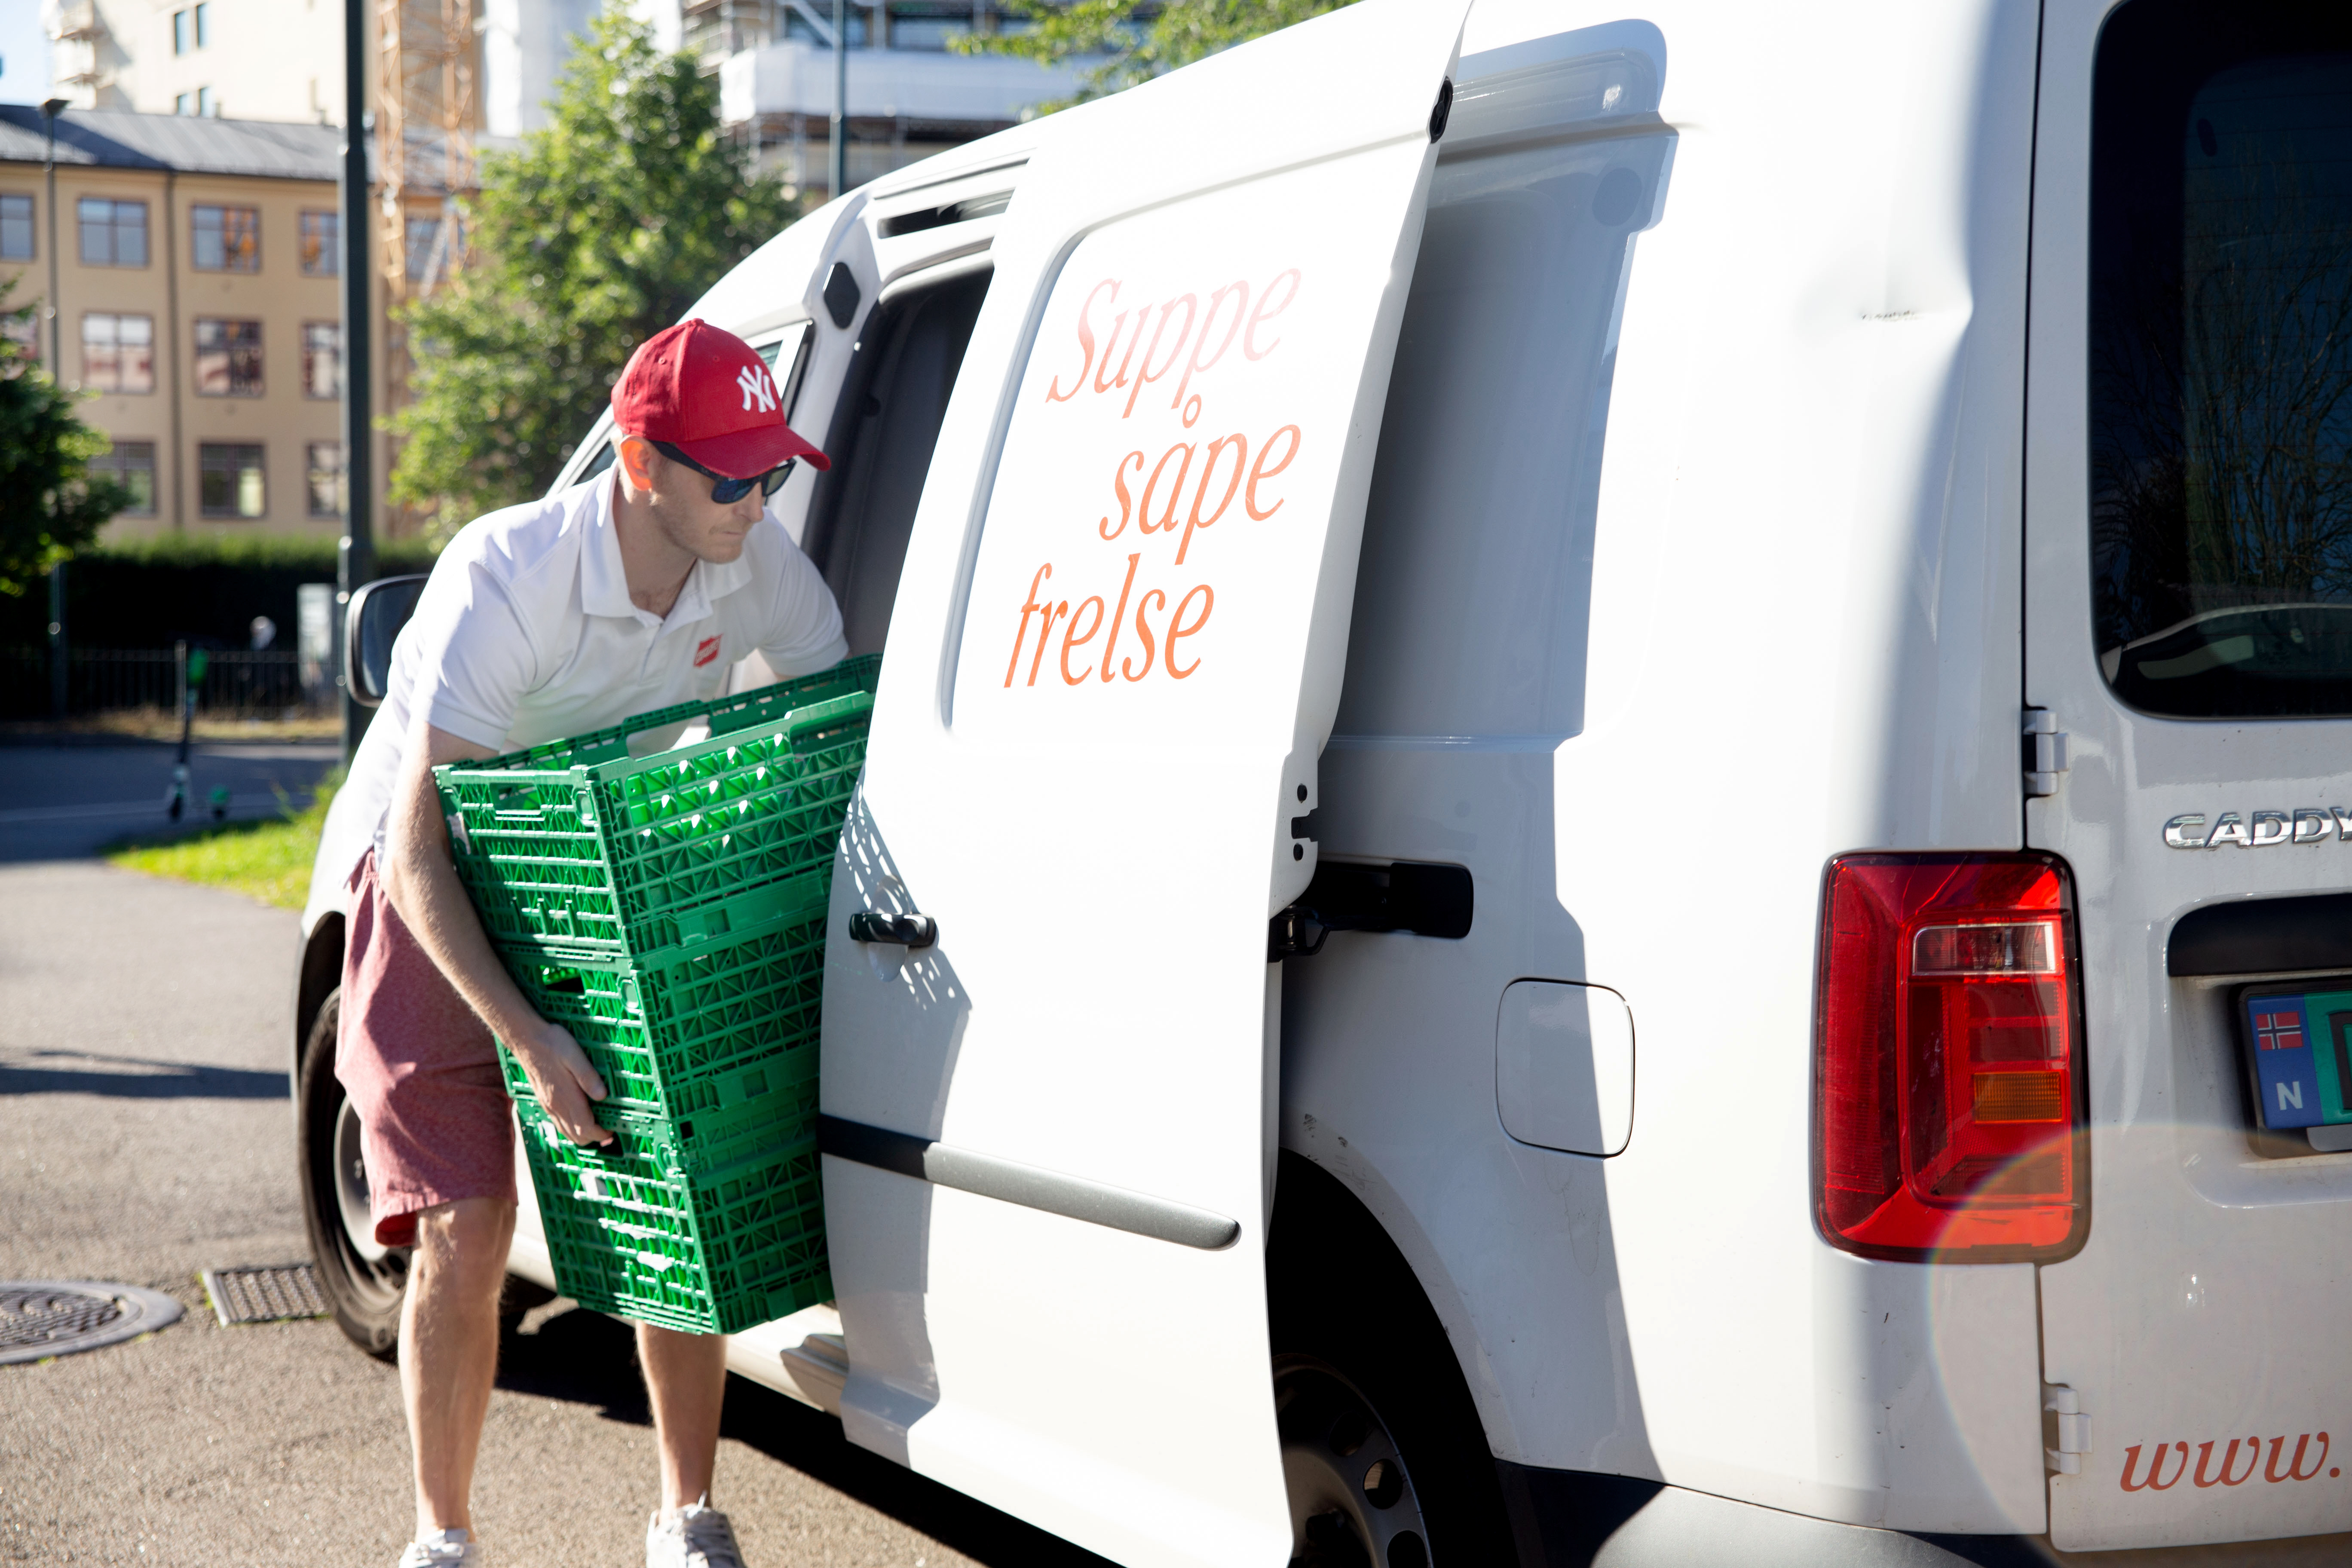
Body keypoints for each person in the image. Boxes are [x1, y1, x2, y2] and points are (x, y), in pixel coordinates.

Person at [318, 319, 848, 1568]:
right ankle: (443, 1538)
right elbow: (417, 850)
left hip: (604, 870)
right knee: (468, 1224)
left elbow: (831, 727)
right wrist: (530, 1040)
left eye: (773, 471)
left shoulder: (751, 556)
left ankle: (686, 1516)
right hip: (438, 869)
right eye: (731, 476)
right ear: (640, 462)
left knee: (672, 1188)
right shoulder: (509, 575)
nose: (757, 502)